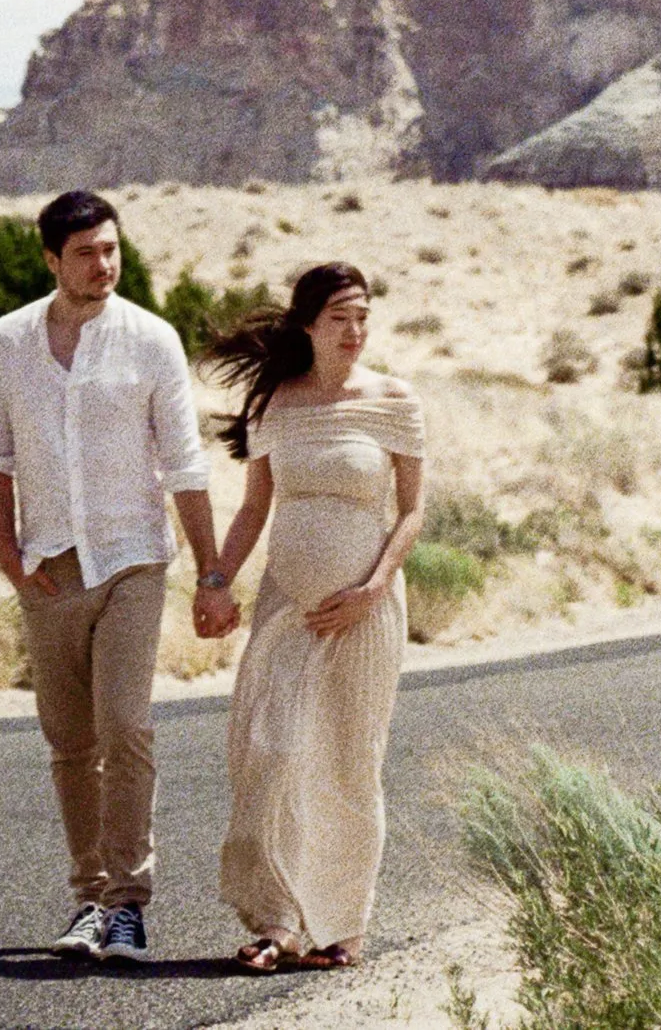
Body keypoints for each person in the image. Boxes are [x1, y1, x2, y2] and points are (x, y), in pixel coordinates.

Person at [0, 187, 227, 958]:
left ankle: (128, 902)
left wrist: (212, 574)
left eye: (111, 248)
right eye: (85, 252)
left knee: (125, 724)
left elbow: (185, 463)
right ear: (52, 259)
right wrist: (9, 554)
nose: (104, 264)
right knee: (70, 742)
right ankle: (87, 897)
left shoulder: (151, 339)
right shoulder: (7, 342)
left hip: (132, 560)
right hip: (49, 565)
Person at [202, 260, 425, 974]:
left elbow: (412, 512)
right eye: (339, 318)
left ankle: (340, 927)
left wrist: (373, 587)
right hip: (286, 606)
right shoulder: (277, 403)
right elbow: (253, 508)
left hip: (365, 609)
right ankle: (277, 921)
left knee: (348, 761)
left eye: (363, 317)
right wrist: (215, 580)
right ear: (307, 324)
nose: (354, 331)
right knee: (269, 752)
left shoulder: (394, 400)